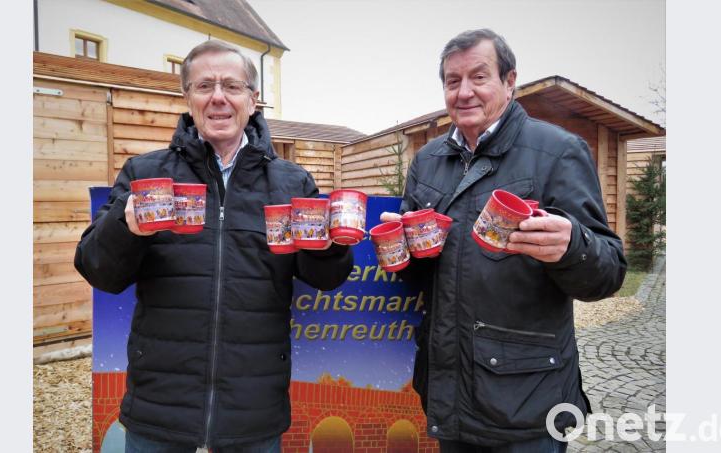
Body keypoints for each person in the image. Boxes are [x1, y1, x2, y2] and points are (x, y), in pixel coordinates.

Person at [75, 40, 353, 453]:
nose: (218, 97)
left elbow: (327, 278)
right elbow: (98, 270)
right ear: (187, 98)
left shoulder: (292, 183)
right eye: (204, 86)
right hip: (160, 409)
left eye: (232, 86)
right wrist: (125, 226)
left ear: (253, 100)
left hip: (252, 411)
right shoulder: (145, 173)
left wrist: (328, 245)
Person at [380, 29, 627, 452]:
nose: (464, 92)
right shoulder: (428, 161)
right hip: (448, 388)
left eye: (479, 77)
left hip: (527, 396)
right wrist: (402, 251)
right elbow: (425, 275)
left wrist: (572, 246)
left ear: (510, 81)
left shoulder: (558, 151)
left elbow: (608, 273)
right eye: (452, 81)